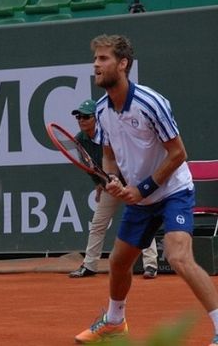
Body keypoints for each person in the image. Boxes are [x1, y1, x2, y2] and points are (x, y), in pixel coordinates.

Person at [75, 34, 218, 346]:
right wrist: (113, 179)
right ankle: (114, 322)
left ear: (123, 64)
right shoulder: (101, 110)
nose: (96, 65)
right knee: (118, 262)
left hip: (173, 190)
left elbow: (179, 153)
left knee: (178, 256)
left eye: (103, 59)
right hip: (141, 198)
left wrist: (142, 188)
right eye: (95, 59)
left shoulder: (151, 103)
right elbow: (110, 153)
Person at [68, 99, 158, 279]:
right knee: (98, 224)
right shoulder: (80, 140)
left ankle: (150, 265)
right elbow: (89, 165)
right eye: (79, 116)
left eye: (86, 116)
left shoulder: (112, 134)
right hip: (109, 185)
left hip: (130, 181)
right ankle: (90, 265)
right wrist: (99, 184)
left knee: (142, 220)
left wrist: (132, 183)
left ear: (96, 118)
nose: (81, 120)